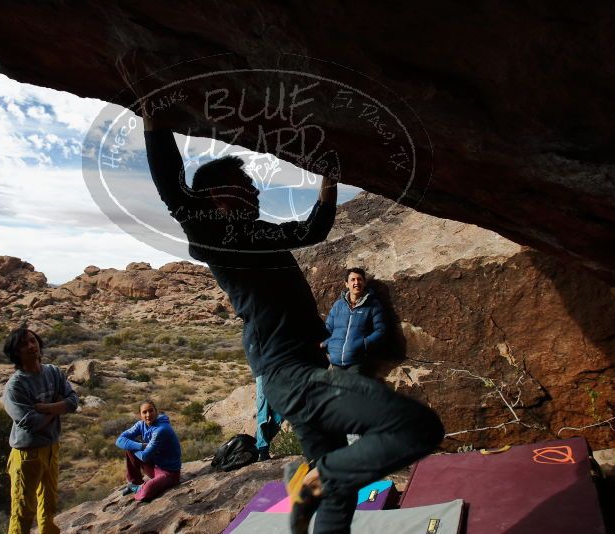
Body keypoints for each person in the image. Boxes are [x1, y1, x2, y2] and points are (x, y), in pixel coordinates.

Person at [131, 70, 444, 533]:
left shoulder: (262, 236)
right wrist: (153, 113)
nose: (257, 194)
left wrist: (329, 180)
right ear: (218, 197)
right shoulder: (217, 235)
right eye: (247, 189)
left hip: (305, 369)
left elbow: (313, 229)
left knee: (337, 482)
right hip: (290, 375)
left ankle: (319, 492)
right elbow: (173, 188)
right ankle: (313, 483)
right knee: (417, 428)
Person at [2, 325, 78, 534]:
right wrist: (56, 408)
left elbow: (72, 402)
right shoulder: (15, 386)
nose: (30, 346)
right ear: (15, 352)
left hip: (52, 445)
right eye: (23, 344)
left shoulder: (53, 372)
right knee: (23, 507)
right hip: (28, 452)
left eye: (33, 341)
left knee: (49, 500)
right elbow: (29, 422)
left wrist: (46, 408)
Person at [322, 268, 387, 375]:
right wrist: (327, 344)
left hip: (356, 361)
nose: (356, 283)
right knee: (333, 390)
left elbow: (380, 330)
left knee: (352, 390)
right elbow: (328, 328)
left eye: (359, 279)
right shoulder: (338, 305)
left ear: (364, 283)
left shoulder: (373, 305)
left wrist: (364, 344)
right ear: (346, 284)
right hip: (335, 361)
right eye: (353, 280)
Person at [115, 400, 182, 502]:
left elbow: (145, 457)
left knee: (146, 493)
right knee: (130, 446)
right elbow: (119, 440)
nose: (148, 415)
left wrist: (132, 447)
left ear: (156, 411)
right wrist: (140, 445)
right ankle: (135, 482)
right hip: (154, 466)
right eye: (144, 412)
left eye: (151, 411)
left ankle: (136, 488)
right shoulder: (140, 425)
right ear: (140, 415)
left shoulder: (161, 429)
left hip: (169, 473)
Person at [254, 373, 283, 461]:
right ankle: (262, 449)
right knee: (263, 414)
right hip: (263, 373)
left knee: (280, 416)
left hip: (281, 374)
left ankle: (257, 442)